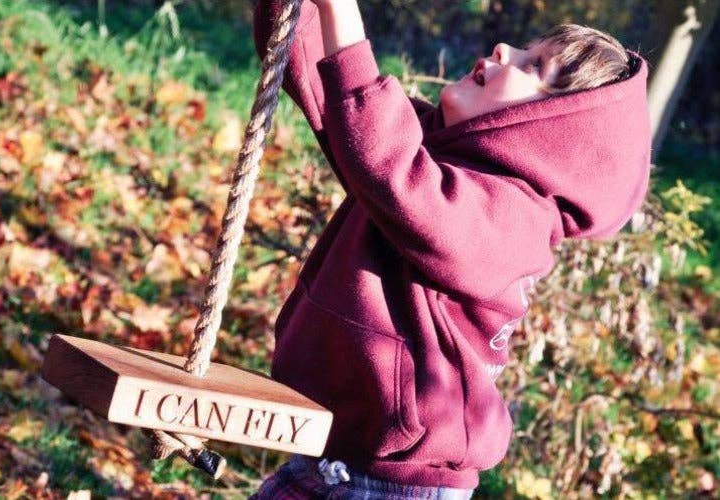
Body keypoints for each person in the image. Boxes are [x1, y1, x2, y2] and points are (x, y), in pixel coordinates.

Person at [250, 0, 651, 498]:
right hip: (335, 451)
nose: (504, 49)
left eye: (534, 67)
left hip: (401, 484)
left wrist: (341, 11)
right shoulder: (430, 154)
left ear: (547, 131)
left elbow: (389, 163)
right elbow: (331, 93)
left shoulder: (514, 219)